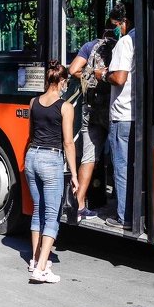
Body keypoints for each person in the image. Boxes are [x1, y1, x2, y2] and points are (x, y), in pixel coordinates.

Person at [24, 60, 78, 284]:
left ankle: (35, 260)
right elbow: (68, 143)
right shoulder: (65, 107)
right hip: (51, 160)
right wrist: (74, 174)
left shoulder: (33, 102)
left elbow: (30, 134)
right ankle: (42, 269)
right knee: (52, 217)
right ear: (63, 81)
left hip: (32, 158)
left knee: (38, 210)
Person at [68, 19, 118, 218]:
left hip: (90, 109)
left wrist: (90, 76)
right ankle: (119, 201)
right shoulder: (122, 46)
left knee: (89, 158)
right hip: (114, 109)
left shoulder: (90, 46)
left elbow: (73, 70)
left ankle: (78, 204)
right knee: (118, 156)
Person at [95, 4, 135, 230]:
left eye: (116, 25)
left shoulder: (125, 42)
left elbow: (119, 78)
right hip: (137, 115)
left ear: (124, 21)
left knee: (121, 166)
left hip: (122, 114)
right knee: (131, 165)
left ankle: (124, 216)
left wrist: (102, 75)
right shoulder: (143, 38)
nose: (116, 30)